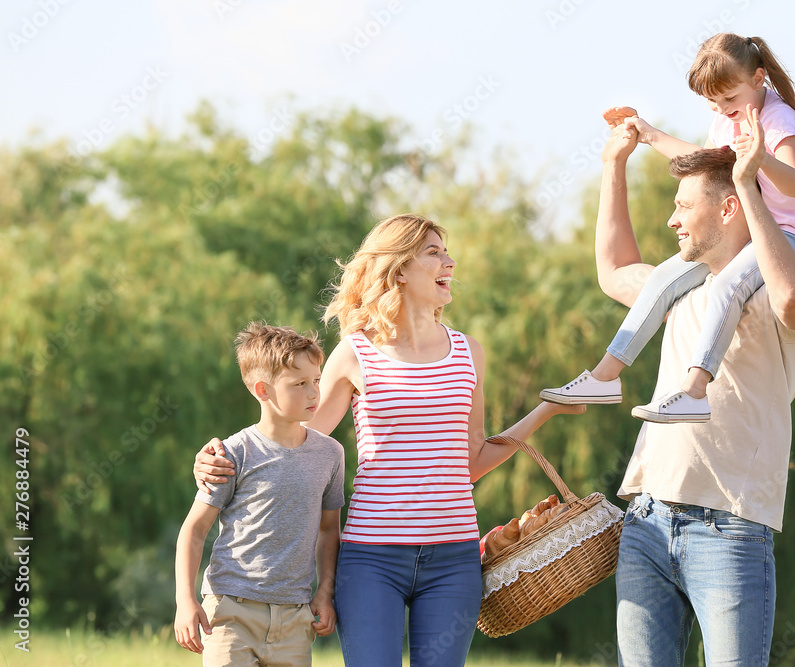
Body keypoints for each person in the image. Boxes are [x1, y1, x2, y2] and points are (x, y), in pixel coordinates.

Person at [192, 214, 583, 667]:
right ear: (398, 269)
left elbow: (471, 459)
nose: (450, 263)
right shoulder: (354, 352)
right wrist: (217, 458)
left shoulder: (467, 352)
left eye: (447, 251)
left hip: (453, 559)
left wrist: (546, 409)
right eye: (434, 253)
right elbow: (294, 445)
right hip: (371, 559)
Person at [595, 106, 795, 665]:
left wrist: (750, 184)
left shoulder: (786, 286)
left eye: (683, 206)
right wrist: (613, 166)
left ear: (728, 208)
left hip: (730, 529)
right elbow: (614, 269)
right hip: (646, 521)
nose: (673, 221)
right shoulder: (679, 289)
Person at [540, 33, 795, 425]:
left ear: (758, 78)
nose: (721, 108)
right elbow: (704, 163)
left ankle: (695, 391)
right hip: (746, 234)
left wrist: (760, 155)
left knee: (728, 285)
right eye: (712, 101)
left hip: (794, 240)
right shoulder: (726, 119)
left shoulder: (779, 119)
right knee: (663, 276)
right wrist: (647, 134)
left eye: (729, 98)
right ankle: (604, 377)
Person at [174, 322, 346, 665]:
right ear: (262, 390)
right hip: (231, 612)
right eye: (300, 384)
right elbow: (193, 531)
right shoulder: (233, 454)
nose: (315, 393)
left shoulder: (331, 454)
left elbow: (329, 530)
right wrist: (185, 602)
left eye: (317, 380)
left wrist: (325, 593)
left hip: (296, 619)